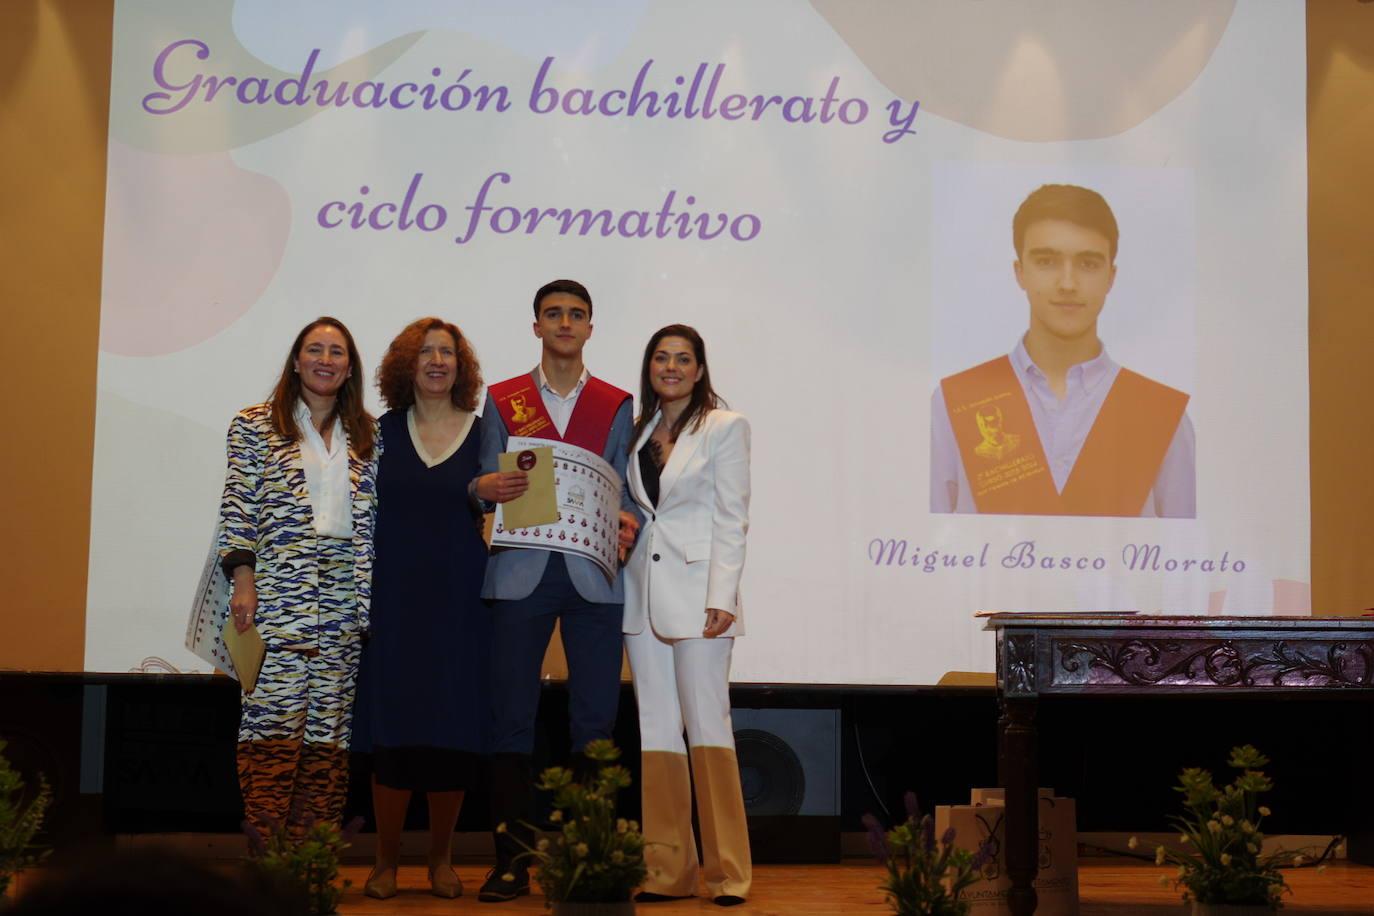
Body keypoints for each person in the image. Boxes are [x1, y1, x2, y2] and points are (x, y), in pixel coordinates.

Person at [471, 279, 639, 903]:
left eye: (576, 314)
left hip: (595, 574)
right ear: (536, 325)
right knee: (511, 719)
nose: (565, 323)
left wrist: (632, 521)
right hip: (520, 571)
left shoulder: (617, 403)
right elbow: (484, 479)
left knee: (595, 723)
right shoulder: (502, 399)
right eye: (553, 314)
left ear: (591, 327)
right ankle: (511, 862)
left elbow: (631, 492)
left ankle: (590, 859)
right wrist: (483, 488)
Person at [929, 183, 1196, 517]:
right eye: (1047, 261)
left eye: (1087, 264)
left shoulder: (1163, 418)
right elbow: (928, 553)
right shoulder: (955, 405)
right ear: (1020, 272)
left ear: (1111, 277)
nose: (1067, 284)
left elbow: (1186, 560)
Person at [218, 317, 378, 843]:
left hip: (345, 598)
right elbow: (238, 508)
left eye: (337, 352)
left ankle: (312, 859)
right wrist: (244, 581)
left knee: (328, 736)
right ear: (296, 359)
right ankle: (267, 857)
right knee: (271, 730)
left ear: (350, 367)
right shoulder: (254, 424)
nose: (325, 360)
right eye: (315, 349)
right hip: (278, 593)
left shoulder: (368, 434)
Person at [350, 318, 492, 900]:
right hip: (393, 601)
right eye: (427, 352)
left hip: (461, 602)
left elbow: (525, 511)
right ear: (407, 364)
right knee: (394, 734)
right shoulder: (377, 431)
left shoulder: (488, 435)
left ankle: (440, 860)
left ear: (462, 368)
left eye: (448, 353)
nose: (438, 361)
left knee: (450, 733)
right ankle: (384, 862)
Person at [622, 324, 752, 906]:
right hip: (642, 598)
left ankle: (729, 875)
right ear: (649, 368)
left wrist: (721, 597)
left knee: (708, 731)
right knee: (657, 737)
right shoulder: (638, 431)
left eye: (683, 359)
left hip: (703, 602)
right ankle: (667, 873)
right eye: (661, 358)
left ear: (700, 370)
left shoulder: (725, 427)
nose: (670, 367)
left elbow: (733, 517)